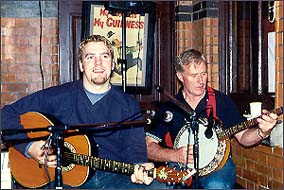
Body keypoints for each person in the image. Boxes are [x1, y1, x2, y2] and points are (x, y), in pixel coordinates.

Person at [1, 35, 159, 189]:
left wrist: (139, 167)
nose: (98, 63)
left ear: (112, 64)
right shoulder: (58, 96)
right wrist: (29, 147)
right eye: (90, 57)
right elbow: (6, 114)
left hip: (114, 178)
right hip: (66, 180)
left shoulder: (128, 104)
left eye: (104, 56)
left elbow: (134, 147)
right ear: (81, 65)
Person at [145, 49, 278, 189]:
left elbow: (244, 137)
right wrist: (174, 155)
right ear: (180, 76)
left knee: (217, 185)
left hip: (218, 168)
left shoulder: (222, 101)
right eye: (194, 75)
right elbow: (148, 146)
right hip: (180, 167)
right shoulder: (170, 108)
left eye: (203, 74)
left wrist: (262, 132)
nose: (200, 81)